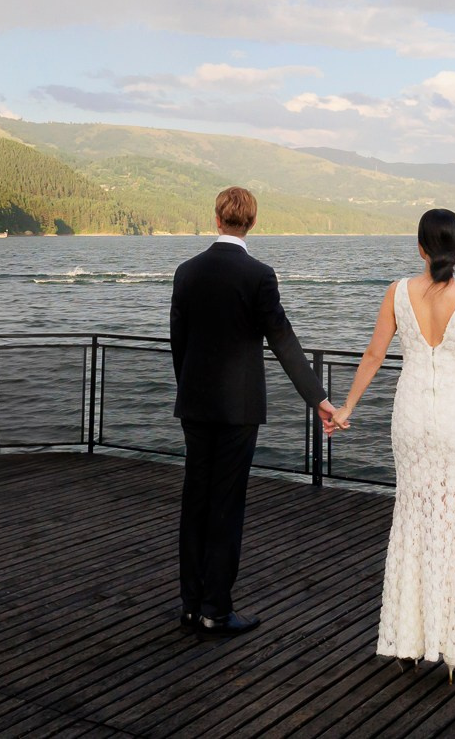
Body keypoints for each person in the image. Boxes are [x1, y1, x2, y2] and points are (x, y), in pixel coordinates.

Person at [330, 207, 455, 676]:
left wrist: (347, 407)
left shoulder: (396, 293)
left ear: (420, 247)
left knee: (413, 520)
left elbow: (373, 353)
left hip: (410, 419)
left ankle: (408, 642)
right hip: (454, 421)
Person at [170, 185, 337, 635]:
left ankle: (189, 604)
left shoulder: (186, 272)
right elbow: (283, 341)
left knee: (195, 501)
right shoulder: (259, 276)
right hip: (239, 409)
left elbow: (178, 342)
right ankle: (216, 609)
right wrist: (319, 399)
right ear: (252, 222)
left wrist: (187, 388)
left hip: (194, 403)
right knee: (226, 504)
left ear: (217, 219)